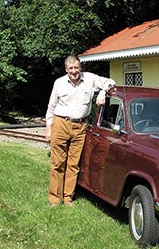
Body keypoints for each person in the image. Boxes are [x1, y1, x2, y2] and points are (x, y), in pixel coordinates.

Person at [45, 55, 116, 207]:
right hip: (60, 124)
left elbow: (111, 82)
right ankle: (55, 198)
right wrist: (48, 128)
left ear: (80, 67)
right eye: (70, 68)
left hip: (80, 127)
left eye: (76, 67)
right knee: (57, 163)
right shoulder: (59, 83)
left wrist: (103, 92)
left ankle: (68, 197)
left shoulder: (90, 79)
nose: (74, 71)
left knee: (73, 164)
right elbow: (51, 107)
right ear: (66, 69)